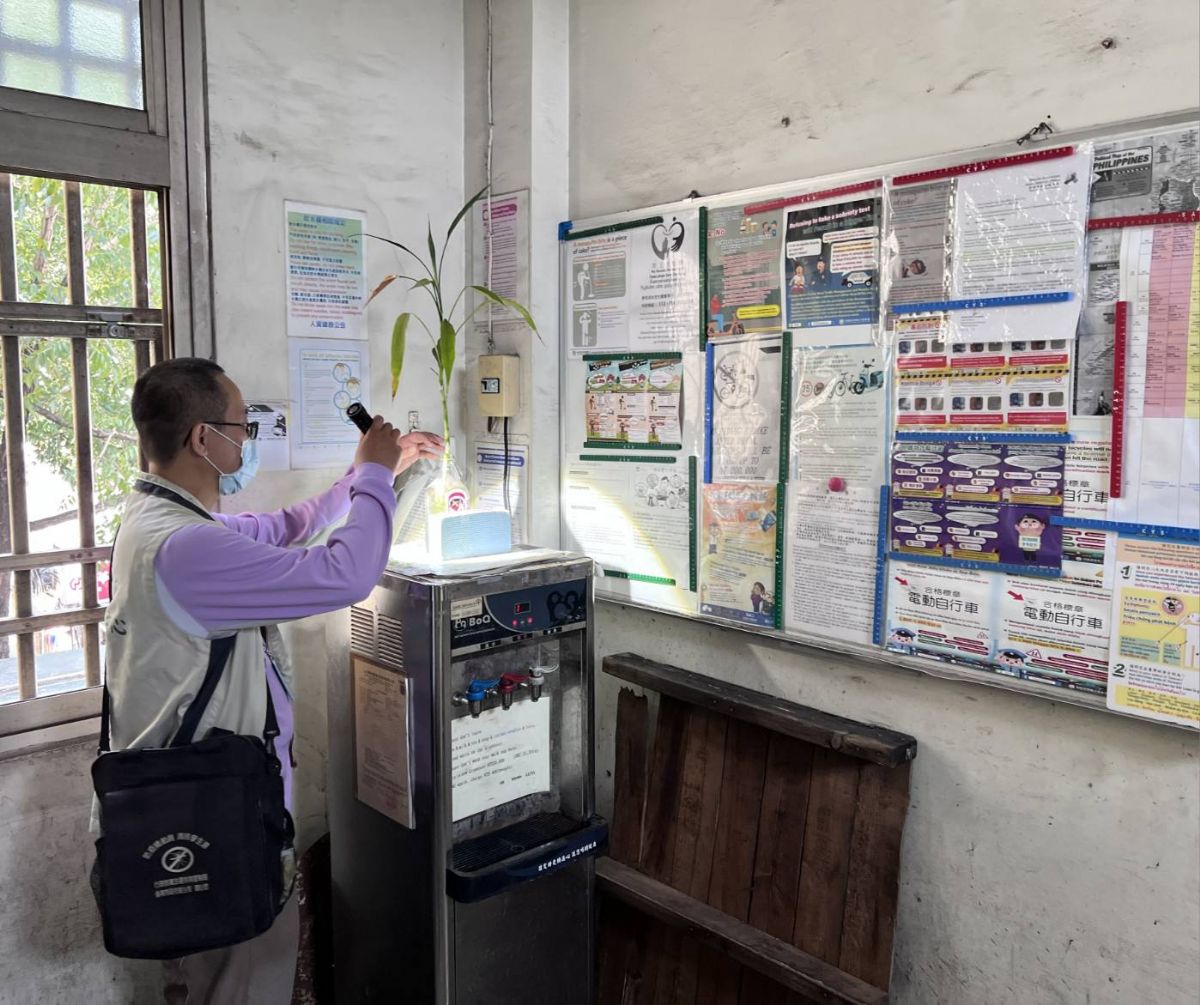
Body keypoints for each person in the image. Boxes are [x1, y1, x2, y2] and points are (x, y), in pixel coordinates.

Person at [101, 358, 441, 1004]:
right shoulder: (187, 550)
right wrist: (374, 475)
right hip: (216, 818)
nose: (248, 440)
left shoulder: (157, 523)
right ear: (204, 438)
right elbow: (346, 574)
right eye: (243, 427)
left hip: (193, 801)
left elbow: (284, 529)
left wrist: (368, 474)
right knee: (242, 982)